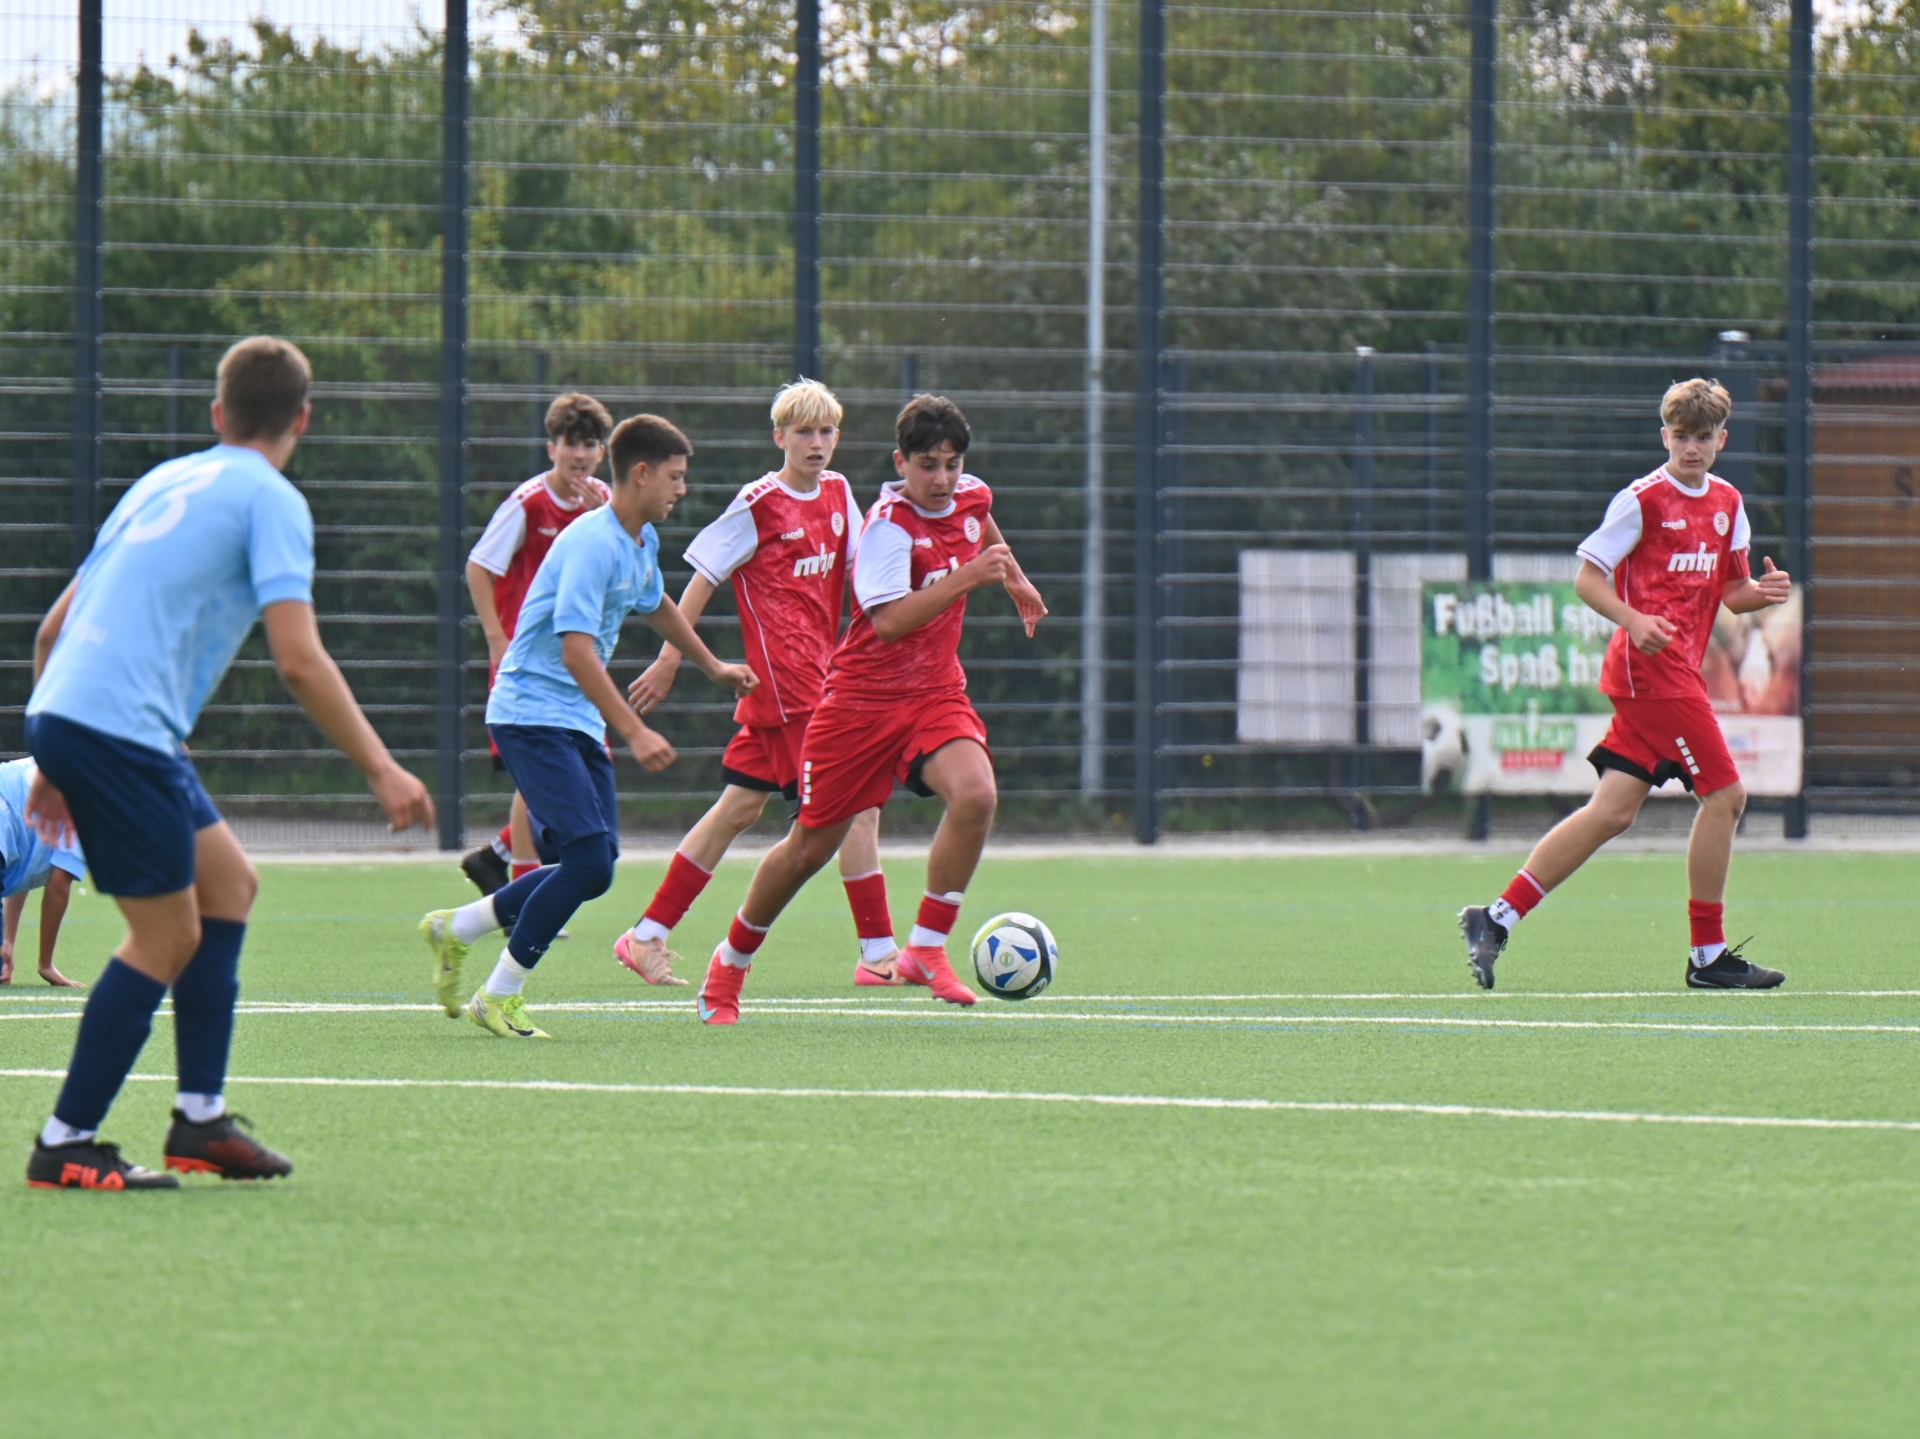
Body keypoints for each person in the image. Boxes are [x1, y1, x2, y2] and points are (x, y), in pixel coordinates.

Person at [23, 336, 434, 1191]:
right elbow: (299, 658)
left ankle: (199, 1120)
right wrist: (382, 768)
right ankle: (65, 1141)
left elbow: (53, 630)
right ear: (302, 420)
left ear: (218, 413)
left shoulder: (161, 480)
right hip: (118, 729)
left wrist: (52, 757)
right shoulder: (272, 499)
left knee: (228, 886)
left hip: (77, 715)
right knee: (166, 934)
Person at [695, 394, 1047, 1025]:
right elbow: (887, 622)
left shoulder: (970, 495)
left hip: (935, 692)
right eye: (928, 466)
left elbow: (981, 523)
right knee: (810, 848)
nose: (942, 479)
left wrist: (1015, 577)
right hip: (859, 705)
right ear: (900, 463)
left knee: (976, 795)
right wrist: (972, 577)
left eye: (952, 464)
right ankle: (730, 964)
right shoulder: (888, 525)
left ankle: (925, 949)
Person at [418, 414, 757, 1038]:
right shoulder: (592, 543)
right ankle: (499, 994)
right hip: (530, 714)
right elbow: (576, 650)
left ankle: (458, 927)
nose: (682, 489)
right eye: (675, 477)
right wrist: (634, 731)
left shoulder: (638, 541)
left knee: (596, 865)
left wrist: (711, 665)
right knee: (585, 863)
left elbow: (655, 603)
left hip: (570, 718)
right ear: (642, 474)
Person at [1458, 378, 1793, 991]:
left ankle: (1496, 918)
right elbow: (1588, 579)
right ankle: (1707, 956)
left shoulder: (1728, 502)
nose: (1691, 448)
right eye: (1681, 436)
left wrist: (1764, 593)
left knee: (1612, 811)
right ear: (1664, 436)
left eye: (1703, 437)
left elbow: (1732, 592)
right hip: (1651, 674)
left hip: (1670, 674)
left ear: (1721, 440)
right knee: (1726, 797)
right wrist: (1634, 620)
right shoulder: (1642, 500)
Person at [615, 379, 898, 988]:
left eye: (826, 431)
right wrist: (669, 658)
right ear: (780, 438)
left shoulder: (839, 491)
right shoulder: (758, 503)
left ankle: (646, 934)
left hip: (818, 684)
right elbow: (702, 577)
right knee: (858, 810)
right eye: (804, 432)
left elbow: (863, 575)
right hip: (788, 689)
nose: (816, 442)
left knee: (738, 809)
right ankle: (878, 954)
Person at [460, 394, 614, 894]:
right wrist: (495, 638)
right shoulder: (529, 502)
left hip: (577, 662)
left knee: (579, 774)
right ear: (552, 449)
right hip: (527, 661)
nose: (580, 455)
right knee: (542, 774)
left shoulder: (606, 505)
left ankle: (496, 860)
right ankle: (521, 884)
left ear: (602, 452)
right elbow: (479, 566)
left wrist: (603, 521)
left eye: (590, 445)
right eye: (571, 443)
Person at [0, 757, 87, 988]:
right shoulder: (93, 800)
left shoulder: (71, 757)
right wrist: (45, 964)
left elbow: (25, 866)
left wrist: (7, 941)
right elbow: (58, 886)